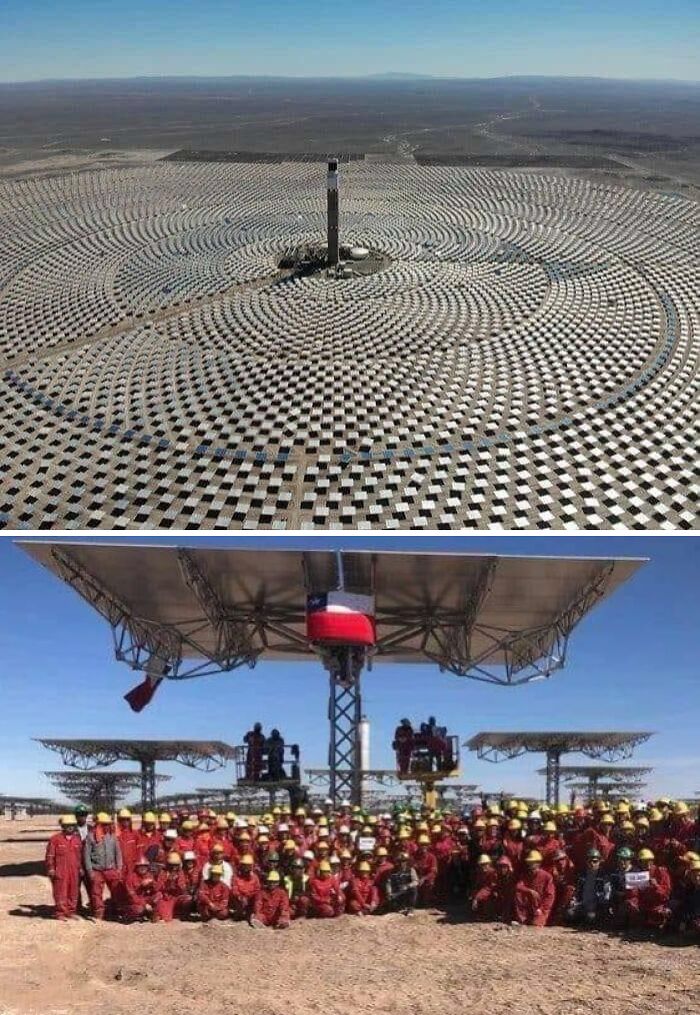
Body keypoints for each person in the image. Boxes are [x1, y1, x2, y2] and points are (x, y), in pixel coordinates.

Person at [84, 812, 123, 920]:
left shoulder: (112, 836)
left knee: (117, 889)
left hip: (110, 869)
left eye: (107, 824)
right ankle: (99, 912)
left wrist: (119, 868)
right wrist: (90, 871)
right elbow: (86, 856)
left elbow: (118, 853)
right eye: (103, 824)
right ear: (98, 824)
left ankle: (116, 909)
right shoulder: (91, 837)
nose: (106, 826)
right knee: (96, 893)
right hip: (97, 870)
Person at [45, 815, 82, 921]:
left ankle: (71, 911)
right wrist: (51, 868)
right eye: (67, 825)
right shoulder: (55, 839)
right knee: (60, 891)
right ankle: (60, 913)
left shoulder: (77, 839)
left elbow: (79, 856)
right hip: (60, 870)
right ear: (63, 826)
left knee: (73, 891)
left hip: (74, 870)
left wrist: (80, 868)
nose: (70, 827)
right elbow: (50, 855)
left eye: (72, 825)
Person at [566, 849, 610, 926]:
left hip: (596, 907)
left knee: (591, 918)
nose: (592, 864)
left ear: (599, 862)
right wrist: (574, 901)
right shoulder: (583, 875)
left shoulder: (603, 876)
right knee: (569, 914)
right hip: (582, 904)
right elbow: (578, 890)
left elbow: (607, 894)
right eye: (590, 861)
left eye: (595, 861)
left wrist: (602, 905)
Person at [514, 850, 555, 927]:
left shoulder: (547, 876)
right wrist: (530, 891)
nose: (531, 864)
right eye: (530, 862)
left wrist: (541, 909)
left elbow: (550, 896)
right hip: (530, 906)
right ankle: (522, 918)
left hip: (542, 908)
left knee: (536, 925)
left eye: (533, 862)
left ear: (539, 863)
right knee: (519, 892)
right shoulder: (526, 875)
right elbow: (518, 886)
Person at [121, 857, 160, 923]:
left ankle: (151, 913)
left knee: (159, 895)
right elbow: (132, 896)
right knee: (139, 909)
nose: (143, 868)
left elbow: (156, 890)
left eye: (145, 866)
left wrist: (152, 884)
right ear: (136, 867)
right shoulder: (130, 878)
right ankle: (127, 915)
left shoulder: (149, 875)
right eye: (140, 866)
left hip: (145, 899)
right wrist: (144, 904)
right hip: (133, 902)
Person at [155, 852, 190, 922]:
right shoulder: (163, 872)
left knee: (187, 899)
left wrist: (177, 882)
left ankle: (181, 914)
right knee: (166, 919)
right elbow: (157, 888)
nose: (174, 867)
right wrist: (168, 882)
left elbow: (182, 889)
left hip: (176, 897)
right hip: (166, 898)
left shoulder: (180, 872)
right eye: (172, 865)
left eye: (176, 865)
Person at [230, 853, 261, 921]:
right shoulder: (236, 877)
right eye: (245, 865)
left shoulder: (255, 877)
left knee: (258, 897)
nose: (247, 867)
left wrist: (248, 896)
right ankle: (239, 913)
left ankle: (255, 914)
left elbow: (257, 890)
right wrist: (241, 897)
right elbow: (234, 890)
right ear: (242, 865)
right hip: (240, 900)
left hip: (250, 900)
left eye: (248, 865)